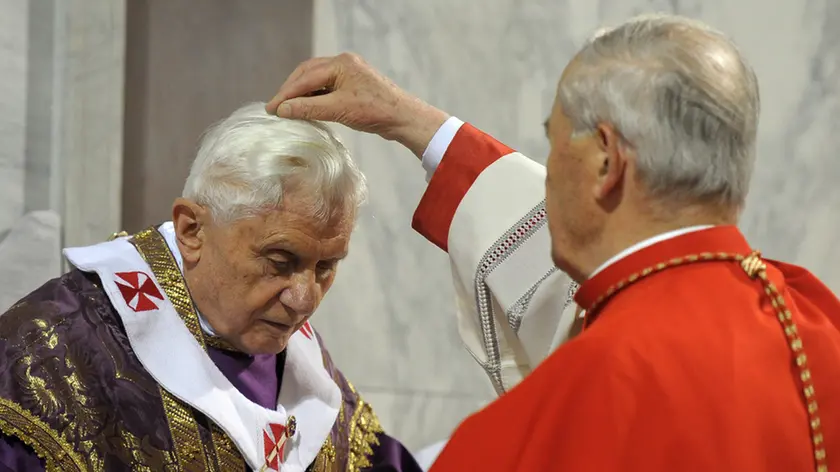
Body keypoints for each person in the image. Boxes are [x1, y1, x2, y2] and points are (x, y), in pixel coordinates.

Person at [266, 13, 840, 472]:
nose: (547, 178)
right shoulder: (813, 326)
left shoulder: (578, 402)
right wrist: (415, 125)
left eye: (554, 141)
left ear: (608, 161)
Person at [0, 103, 422, 472]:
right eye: (279, 263)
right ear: (192, 230)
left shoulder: (303, 364)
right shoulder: (53, 356)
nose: (304, 299)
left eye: (326, 267)